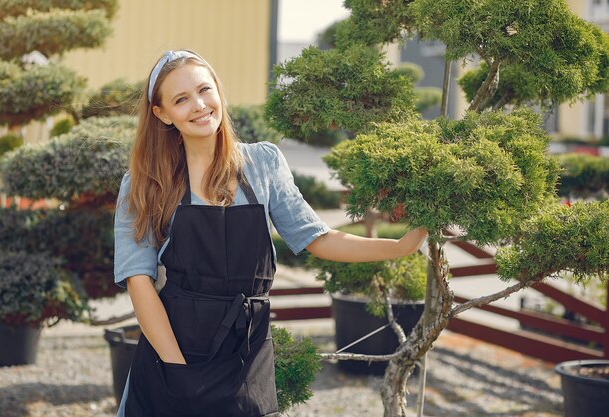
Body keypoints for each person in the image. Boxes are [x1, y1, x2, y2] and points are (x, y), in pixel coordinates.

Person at [114, 49, 428, 417]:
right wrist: (176, 368)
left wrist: (400, 245)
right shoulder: (144, 183)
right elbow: (139, 282)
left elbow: (316, 237)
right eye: (181, 99)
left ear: (218, 90)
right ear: (162, 114)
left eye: (204, 90)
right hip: (175, 350)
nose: (199, 105)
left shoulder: (262, 163)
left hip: (248, 350)